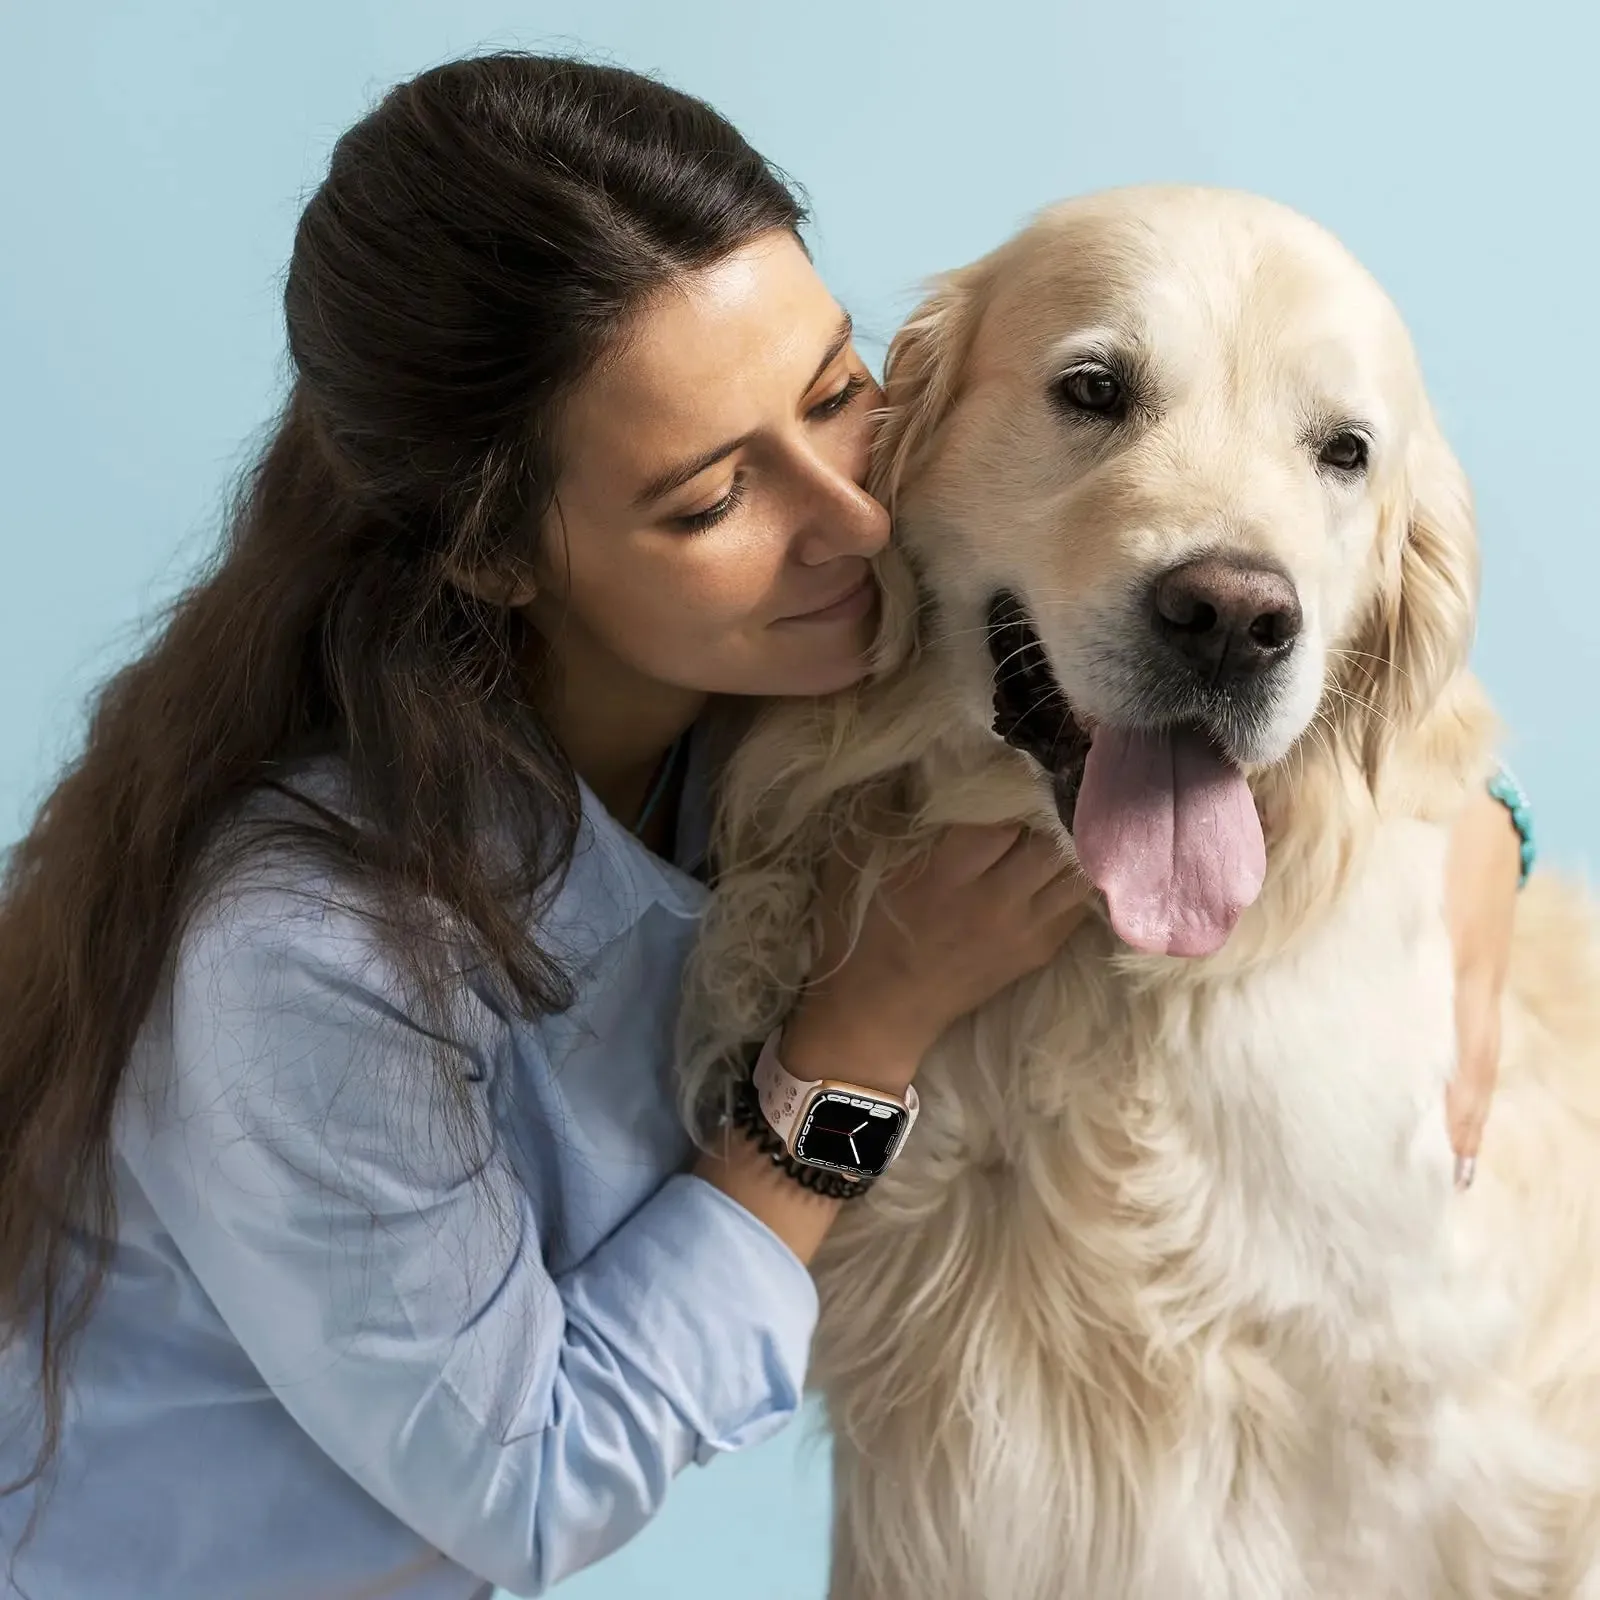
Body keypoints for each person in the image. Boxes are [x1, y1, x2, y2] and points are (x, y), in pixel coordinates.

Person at [0, 52, 1527, 1600]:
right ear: (500, 556)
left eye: (835, 396)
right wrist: (865, 1034)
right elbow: (534, 1488)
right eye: (713, 495)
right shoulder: (307, 960)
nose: (853, 516)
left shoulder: (799, 725)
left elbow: (1397, 717)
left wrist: (1475, 836)